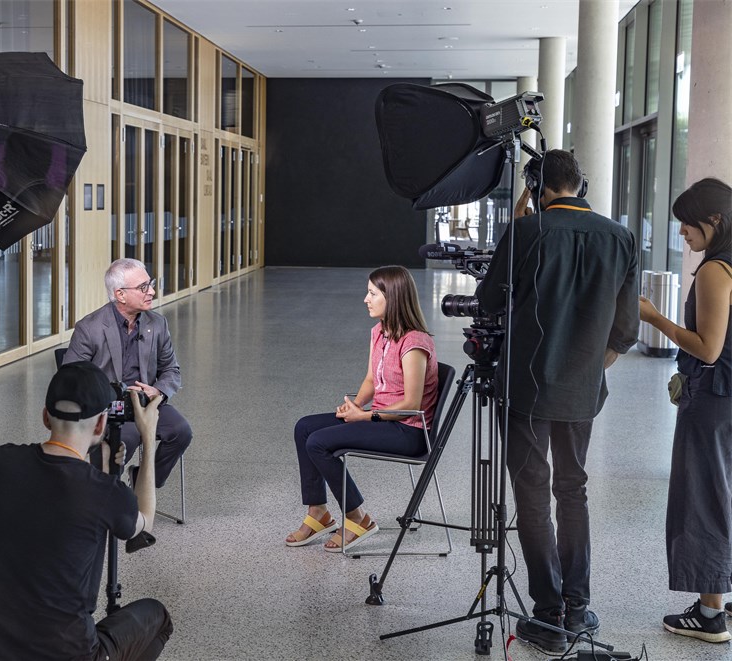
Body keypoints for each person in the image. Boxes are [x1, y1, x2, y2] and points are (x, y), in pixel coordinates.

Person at [477, 149, 639, 653]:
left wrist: (520, 225)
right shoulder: (621, 237)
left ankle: (547, 616)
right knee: (574, 491)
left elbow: (487, 303)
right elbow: (626, 330)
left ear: (536, 186)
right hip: (583, 392)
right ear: (582, 184)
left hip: (525, 389)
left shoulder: (526, 232)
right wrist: (588, 368)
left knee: (531, 496)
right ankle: (578, 608)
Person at [0, 360, 173, 661]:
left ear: (45, 416)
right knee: (158, 617)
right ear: (101, 424)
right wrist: (148, 438)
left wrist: (101, 467)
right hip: (70, 655)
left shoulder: (0, 462)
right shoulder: (104, 492)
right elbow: (144, 522)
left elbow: (56, 494)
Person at [286, 266, 438, 552]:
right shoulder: (380, 332)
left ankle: (358, 519)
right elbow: (371, 379)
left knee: (318, 442)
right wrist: (355, 405)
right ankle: (318, 512)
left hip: (408, 430)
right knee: (304, 427)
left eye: (372, 293)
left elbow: (412, 405)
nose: (365, 299)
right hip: (381, 420)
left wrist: (363, 416)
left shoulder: (415, 343)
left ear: (392, 298)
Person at [638, 178, 732, 643]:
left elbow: (708, 348)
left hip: (713, 399)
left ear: (714, 221)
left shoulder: (718, 270)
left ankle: (711, 611)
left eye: (687, 225)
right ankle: (724, 595)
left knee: (704, 499)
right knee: (727, 492)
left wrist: (655, 319)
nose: (682, 235)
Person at [63, 258, 192, 488]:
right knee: (123, 439)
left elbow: (172, 369)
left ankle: (143, 481)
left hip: (147, 404)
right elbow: (70, 378)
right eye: (143, 287)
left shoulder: (158, 323)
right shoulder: (90, 328)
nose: (151, 291)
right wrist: (101, 400)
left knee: (181, 432)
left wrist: (158, 391)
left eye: (150, 284)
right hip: (107, 408)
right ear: (120, 295)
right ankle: (106, 496)